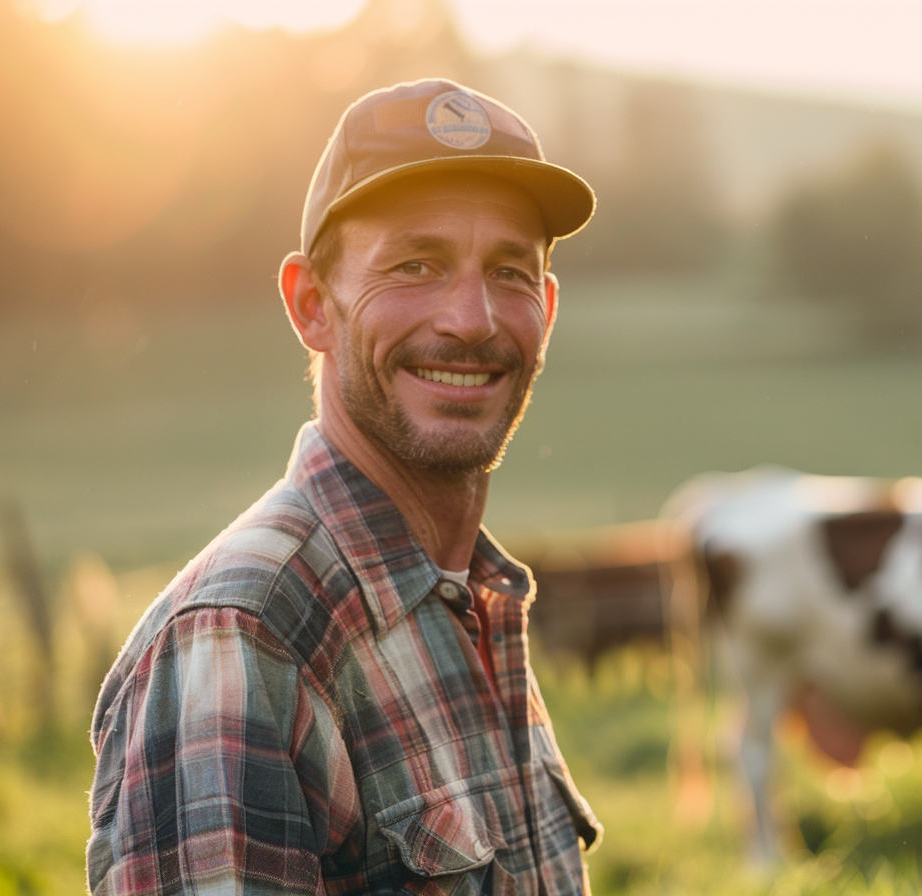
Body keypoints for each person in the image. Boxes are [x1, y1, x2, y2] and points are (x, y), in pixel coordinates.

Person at [86, 79, 602, 896]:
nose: (472, 319)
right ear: (312, 306)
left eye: (508, 273)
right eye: (415, 264)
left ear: (545, 307)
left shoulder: (470, 599)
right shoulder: (245, 639)